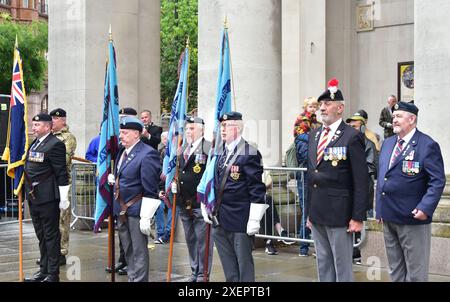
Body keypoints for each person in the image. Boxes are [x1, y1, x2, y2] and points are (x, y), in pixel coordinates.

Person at [306, 79, 369, 282]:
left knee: (342, 267)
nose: (322, 108)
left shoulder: (351, 136)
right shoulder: (314, 135)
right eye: (320, 104)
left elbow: (361, 180)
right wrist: (308, 212)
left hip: (340, 213)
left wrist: (358, 216)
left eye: (327, 104)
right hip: (318, 211)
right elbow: (311, 175)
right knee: (323, 264)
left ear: (340, 108)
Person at [376, 101, 445, 282]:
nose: (394, 120)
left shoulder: (427, 145)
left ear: (412, 119)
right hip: (389, 216)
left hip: (412, 218)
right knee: (395, 270)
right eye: (394, 116)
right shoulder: (388, 143)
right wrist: (379, 208)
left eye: (399, 116)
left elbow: (437, 181)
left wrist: (425, 208)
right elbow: (383, 177)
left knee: (416, 272)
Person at [202, 111, 267, 282]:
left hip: (240, 218)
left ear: (238, 128)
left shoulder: (249, 152)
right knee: (228, 265)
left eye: (227, 126)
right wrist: (207, 205)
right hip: (220, 217)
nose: (223, 129)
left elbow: (256, 189)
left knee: (243, 265)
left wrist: (254, 219)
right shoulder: (221, 151)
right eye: (222, 126)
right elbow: (214, 182)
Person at [108, 116, 161, 282]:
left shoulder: (147, 154)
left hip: (137, 210)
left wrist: (146, 216)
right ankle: (133, 278)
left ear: (137, 134)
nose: (121, 136)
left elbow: (150, 188)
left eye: (125, 133)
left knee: (138, 251)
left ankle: (139, 280)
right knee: (128, 249)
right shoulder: (123, 153)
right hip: (122, 209)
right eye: (121, 132)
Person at [24, 113, 70, 282]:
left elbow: (61, 172)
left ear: (47, 126)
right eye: (33, 125)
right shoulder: (35, 143)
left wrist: (64, 198)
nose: (34, 128)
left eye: (37, 126)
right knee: (41, 236)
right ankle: (43, 270)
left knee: (51, 236)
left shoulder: (55, 144)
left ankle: (52, 273)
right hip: (34, 197)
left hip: (48, 198)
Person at [172, 117, 213, 282]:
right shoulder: (182, 149)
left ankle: (203, 274)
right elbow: (179, 171)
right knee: (190, 240)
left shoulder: (208, 148)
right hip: (184, 202)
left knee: (203, 242)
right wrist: (173, 183)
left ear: (201, 130)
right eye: (187, 129)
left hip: (199, 203)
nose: (188, 132)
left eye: (192, 129)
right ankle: (194, 271)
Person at [346, 111, 378, 263]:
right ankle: (351, 250)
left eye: (355, 126)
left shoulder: (369, 144)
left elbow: (371, 166)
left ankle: (358, 252)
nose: (351, 128)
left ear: (362, 128)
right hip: (348, 189)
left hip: (363, 188)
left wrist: (355, 171)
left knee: (361, 220)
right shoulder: (346, 142)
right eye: (350, 126)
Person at [49, 108, 77, 266]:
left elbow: (63, 159)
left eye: (55, 119)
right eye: (51, 118)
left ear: (63, 120)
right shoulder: (48, 136)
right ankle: (50, 252)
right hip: (48, 183)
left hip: (62, 183)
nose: (53, 121)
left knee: (62, 219)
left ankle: (61, 252)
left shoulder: (68, 137)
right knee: (50, 220)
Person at [293, 109, 313, 257]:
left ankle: (305, 244)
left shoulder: (303, 138)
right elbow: (306, 158)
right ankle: (303, 246)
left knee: (307, 209)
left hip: (306, 177)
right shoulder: (304, 138)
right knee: (306, 209)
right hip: (305, 177)